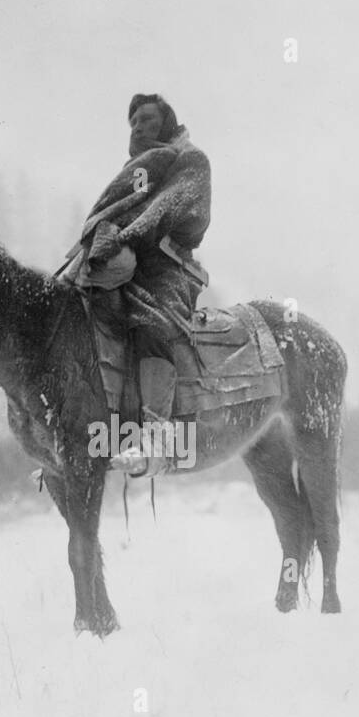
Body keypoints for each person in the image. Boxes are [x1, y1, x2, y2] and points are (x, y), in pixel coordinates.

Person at [71, 93, 212, 474]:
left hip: (167, 269)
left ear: (167, 121)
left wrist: (126, 237)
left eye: (147, 118)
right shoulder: (136, 169)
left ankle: (157, 437)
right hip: (126, 262)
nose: (138, 125)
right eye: (133, 121)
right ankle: (90, 434)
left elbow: (174, 208)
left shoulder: (191, 160)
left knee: (153, 325)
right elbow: (113, 210)